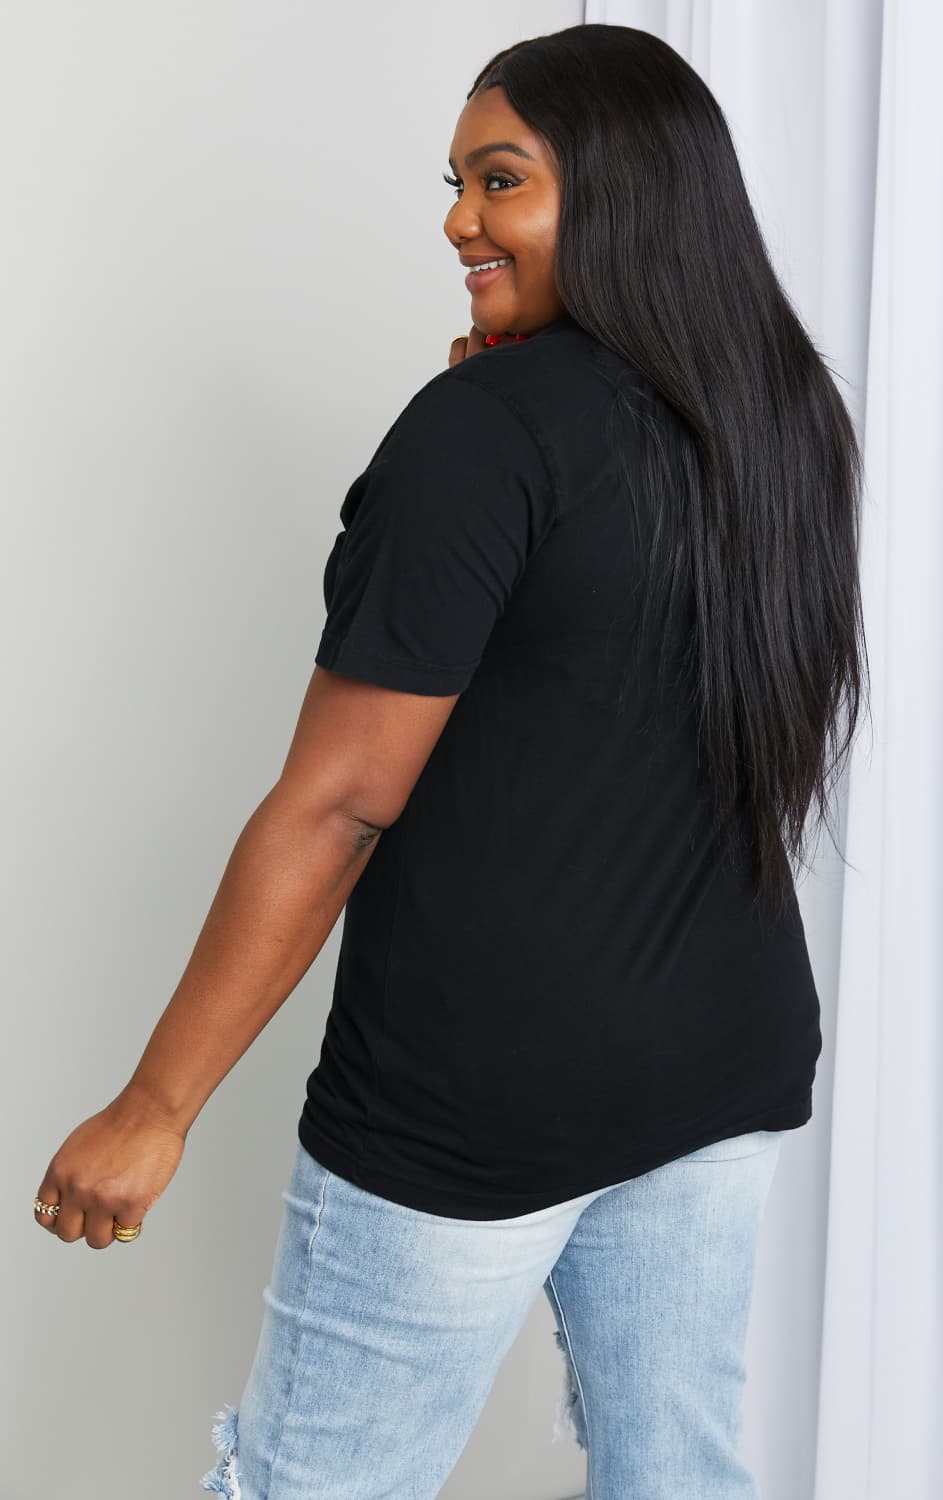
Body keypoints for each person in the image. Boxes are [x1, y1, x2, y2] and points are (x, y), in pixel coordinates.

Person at [31, 23, 868, 1500]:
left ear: (621, 192)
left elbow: (342, 804)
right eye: (457, 184)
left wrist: (153, 1110)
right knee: (679, 1474)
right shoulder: (779, 413)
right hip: (719, 1056)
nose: (458, 221)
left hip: (480, 1089)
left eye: (502, 180)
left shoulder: (485, 432)